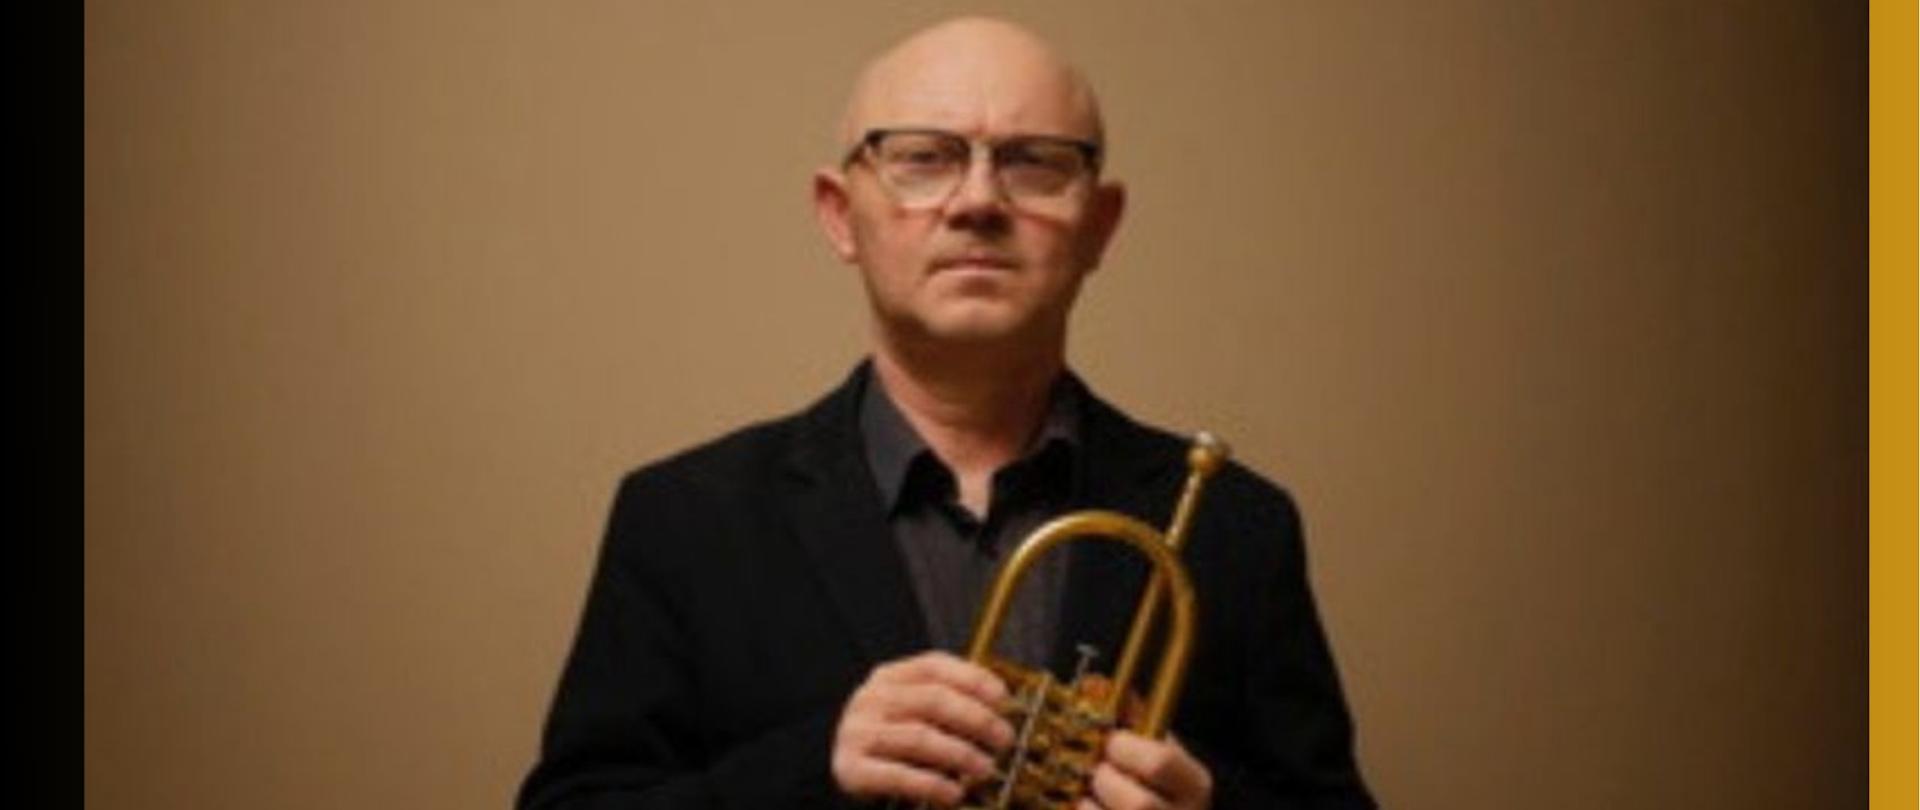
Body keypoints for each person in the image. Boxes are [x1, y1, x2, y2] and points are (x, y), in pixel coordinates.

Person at [518, 16, 1374, 810]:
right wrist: (814, 766)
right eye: (923, 158)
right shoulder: (685, 520)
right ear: (839, 215)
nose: (977, 202)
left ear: (1100, 225)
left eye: (1034, 161)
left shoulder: (1235, 524)